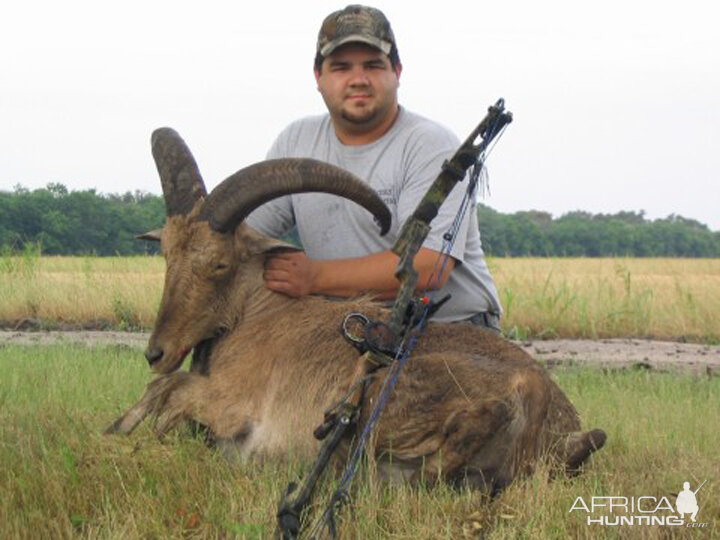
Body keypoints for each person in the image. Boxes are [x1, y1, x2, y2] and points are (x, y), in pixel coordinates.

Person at [247, 4, 502, 330]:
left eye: (373, 65)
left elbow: (428, 267)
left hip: (450, 326)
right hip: (352, 327)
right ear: (318, 77)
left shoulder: (429, 144)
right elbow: (244, 236)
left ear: (396, 72)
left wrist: (314, 276)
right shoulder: (296, 140)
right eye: (341, 68)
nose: (358, 80)